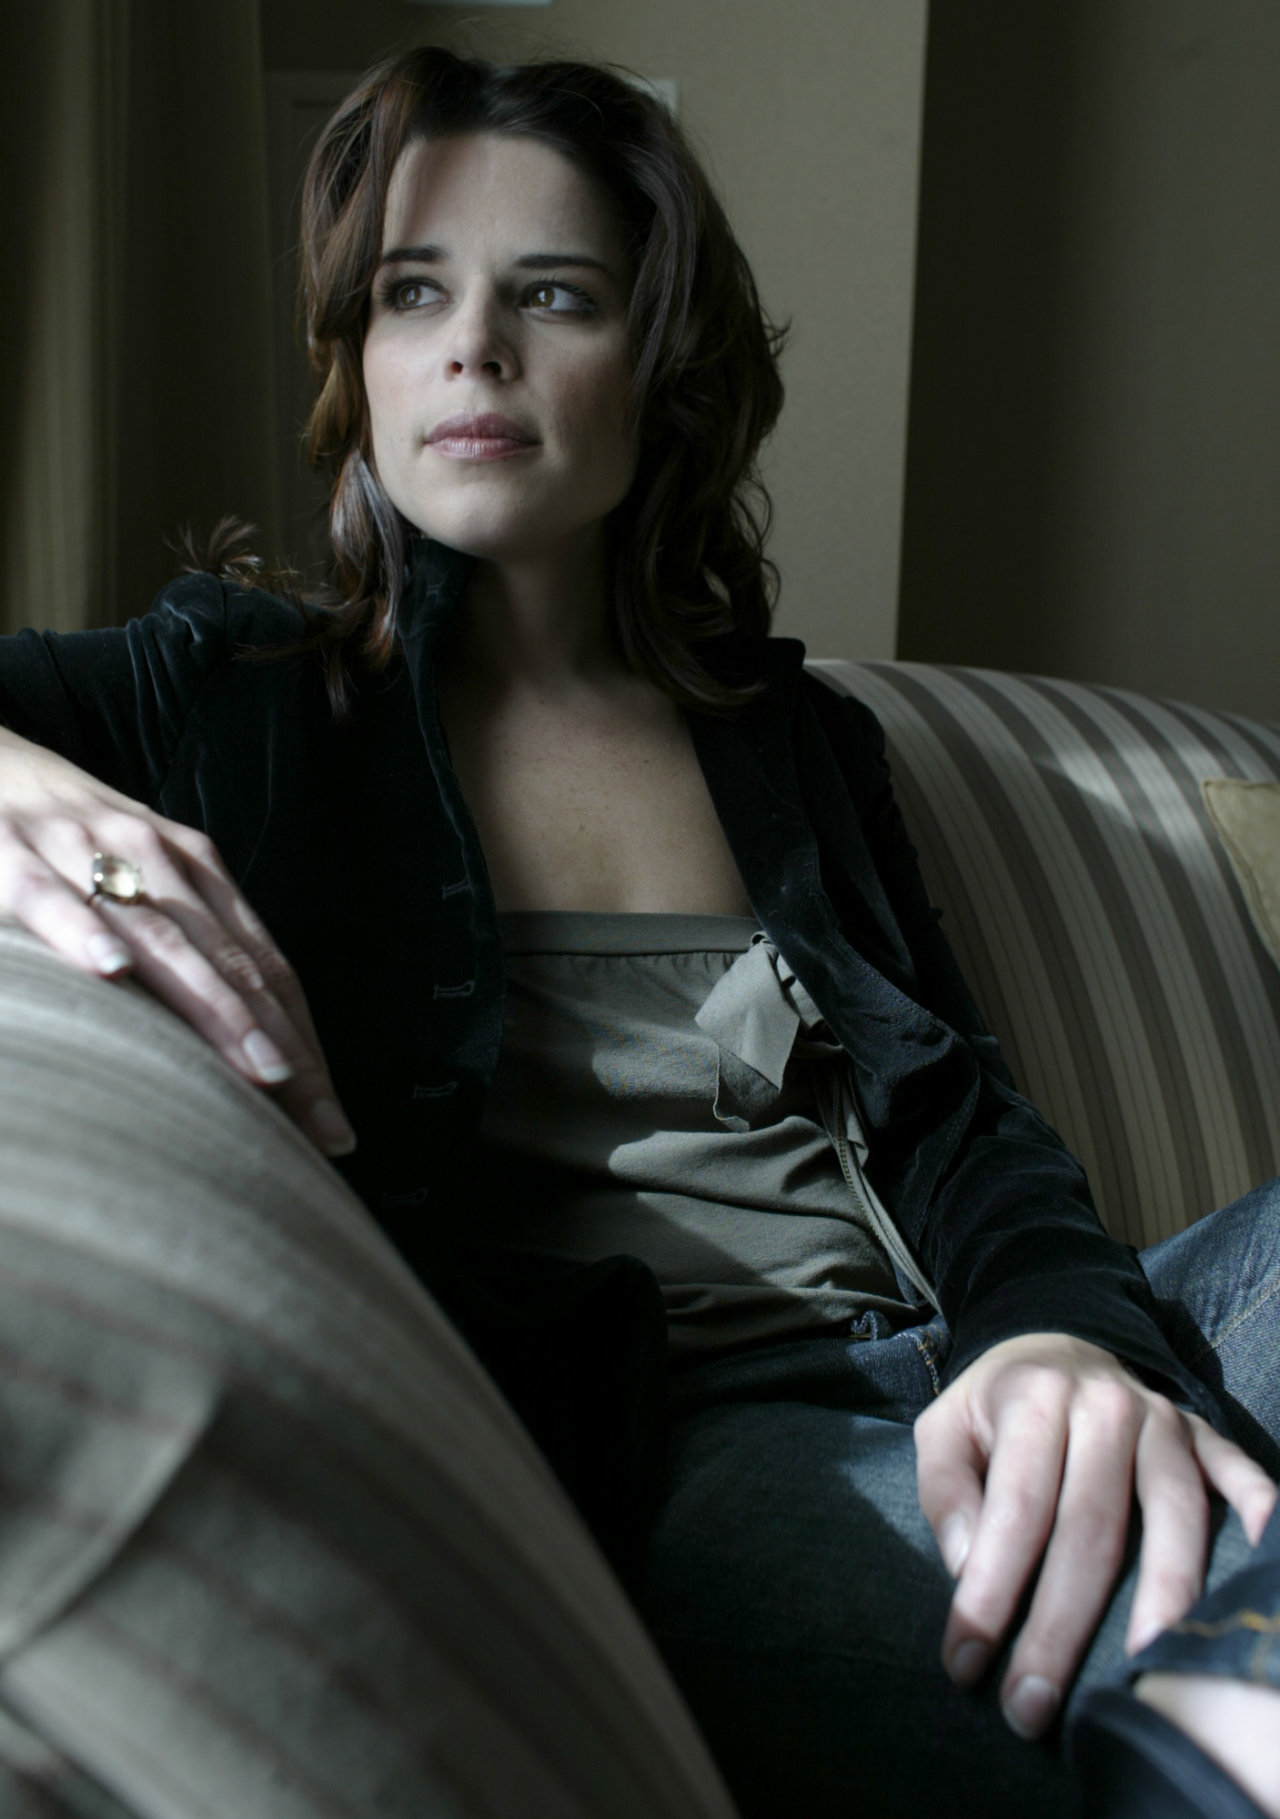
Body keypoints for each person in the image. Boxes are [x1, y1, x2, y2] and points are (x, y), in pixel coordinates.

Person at [0, 43, 1277, 1819]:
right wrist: (16, 779)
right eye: (412, 292)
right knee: (1180, 1644)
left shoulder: (789, 737)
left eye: (554, 294)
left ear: (658, 360)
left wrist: (1070, 1339)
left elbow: (966, 1116)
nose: (474, 347)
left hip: (990, 1354)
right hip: (704, 1456)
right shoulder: (236, 696)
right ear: (356, 354)